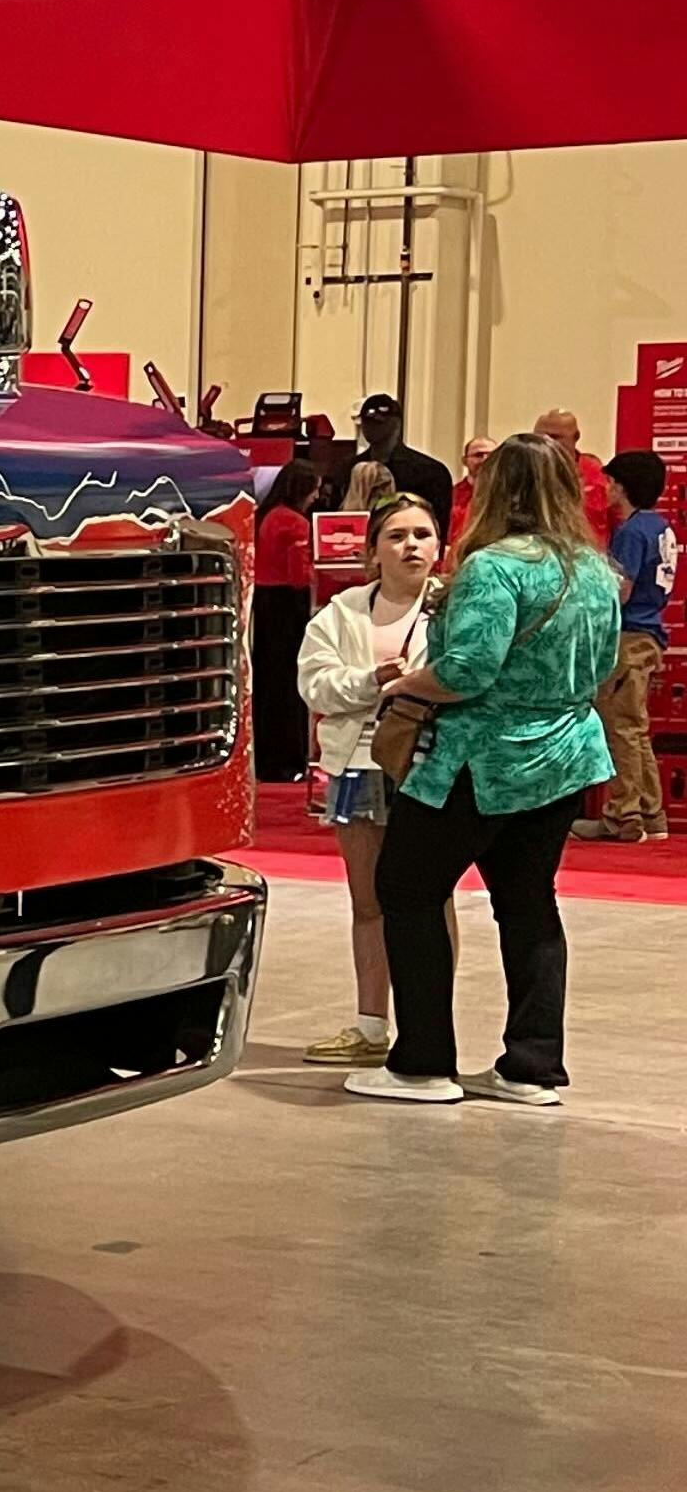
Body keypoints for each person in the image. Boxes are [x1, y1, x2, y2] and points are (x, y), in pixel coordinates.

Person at [347, 431, 623, 1109]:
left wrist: (403, 686)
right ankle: (532, 1066)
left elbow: (467, 671)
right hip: (563, 757)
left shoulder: (493, 568)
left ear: (493, 488)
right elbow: (605, 667)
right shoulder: (595, 570)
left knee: (407, 889)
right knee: (529, 905)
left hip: (480, 759)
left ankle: (422, 1063)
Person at [293, 493, 440, 1067]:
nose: (411, 546)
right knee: (368, 900)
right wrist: (372, 681)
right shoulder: (339, 614)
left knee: (431, 899)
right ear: (373, 550)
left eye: (422, 535)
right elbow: (315, 686)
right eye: (397, 536)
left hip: (429, 766)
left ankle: (429, 1028)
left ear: (439, 546)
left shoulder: (455, 609)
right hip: (356, 766)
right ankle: (371, 1026)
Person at [579, 448, 672, 844]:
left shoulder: (632, 532)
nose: (606, 490)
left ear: (622, 487)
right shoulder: (659, 526)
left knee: (619, 726)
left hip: (629, 636)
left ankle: (622, 816)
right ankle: (651, 812)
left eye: (611, 483)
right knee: (636, 727)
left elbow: (621, 589)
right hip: (650, 634)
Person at [251, 450, 335, 781]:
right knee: (289, 682)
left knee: (269, 680)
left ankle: (268, 757)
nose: (317, 496)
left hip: (265, 603)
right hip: (287, 605)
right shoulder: (295, 522)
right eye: (314, 489)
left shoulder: (267, 515)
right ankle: (288, 760)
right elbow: (300, 576)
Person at [354, 393, 454, 528]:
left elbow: (438, 524)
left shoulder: (430, 472)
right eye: (368, 422)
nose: (372, 428)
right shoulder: (346, 470)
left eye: (380, 422)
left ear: (397, 424)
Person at [535, 408, 621, 541]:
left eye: (555, 437)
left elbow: (618, 520)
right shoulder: (524, 473)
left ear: (576, 436)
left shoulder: (598, 475)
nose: (546, 443)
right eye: (539, 437)